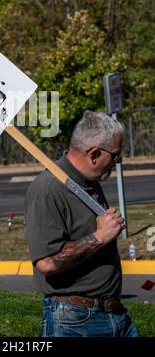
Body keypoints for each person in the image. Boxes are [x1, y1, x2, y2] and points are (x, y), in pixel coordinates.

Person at [24, 111, 139, 337]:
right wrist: (100, 236)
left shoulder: (88, 182)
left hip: (115, 314)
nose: (117, 163)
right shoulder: (47, 190)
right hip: (74, 320)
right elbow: (47, 263)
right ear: (94, 154)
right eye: (116, 156)